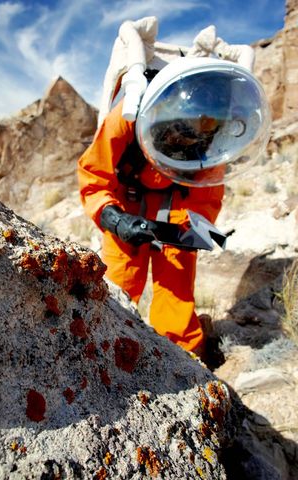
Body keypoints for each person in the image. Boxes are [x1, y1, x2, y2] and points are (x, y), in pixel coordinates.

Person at [78, 53, 270, 356]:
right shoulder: (126, 120)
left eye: (202, 128)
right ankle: (100, 354)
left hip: (177, 209)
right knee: (116, 290)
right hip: (125, 204)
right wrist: (115, 220)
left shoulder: (211, 137)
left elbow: (207, 197)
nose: (187, 140)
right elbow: (94, 178)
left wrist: (194, 230)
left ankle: (186, 361)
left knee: (176, 295)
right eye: (182, 131)